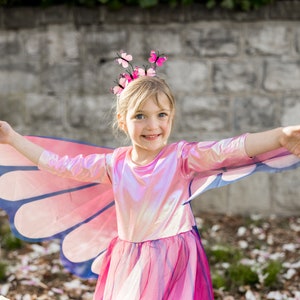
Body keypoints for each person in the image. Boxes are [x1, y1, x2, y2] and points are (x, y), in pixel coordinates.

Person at [0, 51, 300, 299]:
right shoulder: (113, 164)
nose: (152, 126)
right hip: (129, 259)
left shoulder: (182, 158)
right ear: (122, 120)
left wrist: (280, 135)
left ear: (172, 116)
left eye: (161, 115)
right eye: (140, 116)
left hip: (175, 258)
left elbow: (230, 148)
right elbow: (59, 164)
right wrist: (13, 138)